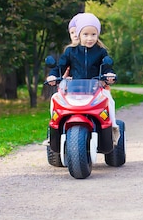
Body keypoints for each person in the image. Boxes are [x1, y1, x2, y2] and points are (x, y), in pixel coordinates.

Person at [46, 12, 120, 142]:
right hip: (74, 89)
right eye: (85, 34)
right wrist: (53, 76)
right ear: (79, 35)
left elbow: (106, 66)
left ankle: (112, 128)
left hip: (96, 89)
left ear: (98, 35)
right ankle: (53, 131)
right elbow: (61, 67)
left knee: (109, 99)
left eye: (93, 34)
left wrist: (109, 75)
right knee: (55, 98)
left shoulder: (101, 51)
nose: (90, 38)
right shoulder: (71, 51)